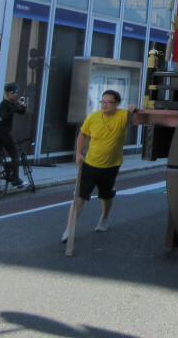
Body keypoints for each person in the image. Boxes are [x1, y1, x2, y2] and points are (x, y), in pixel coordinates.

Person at [61, 90, 137, 241]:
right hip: (90, 164)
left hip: (111, 166)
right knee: (80, 197)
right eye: (103, 101)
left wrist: (133, 110)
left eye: (109, 102)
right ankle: (69, 230)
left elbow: (135, 119)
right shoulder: (93, 117)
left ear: (117, 104)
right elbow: (82, 134)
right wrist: (78, 153)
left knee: (106, 196)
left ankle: (104, 217)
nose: (105, 105)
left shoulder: (122, 115)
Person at [0, 83, 27, 188]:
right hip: (3, 133)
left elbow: (21, 112)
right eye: (13, 92)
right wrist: (14, 109)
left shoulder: (12, 104)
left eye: (16, 92)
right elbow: (3, 116)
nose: (15, 94)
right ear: (7, 93)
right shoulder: (4, 104)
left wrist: (23, 107)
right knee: (14, 154)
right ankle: (16, 179)